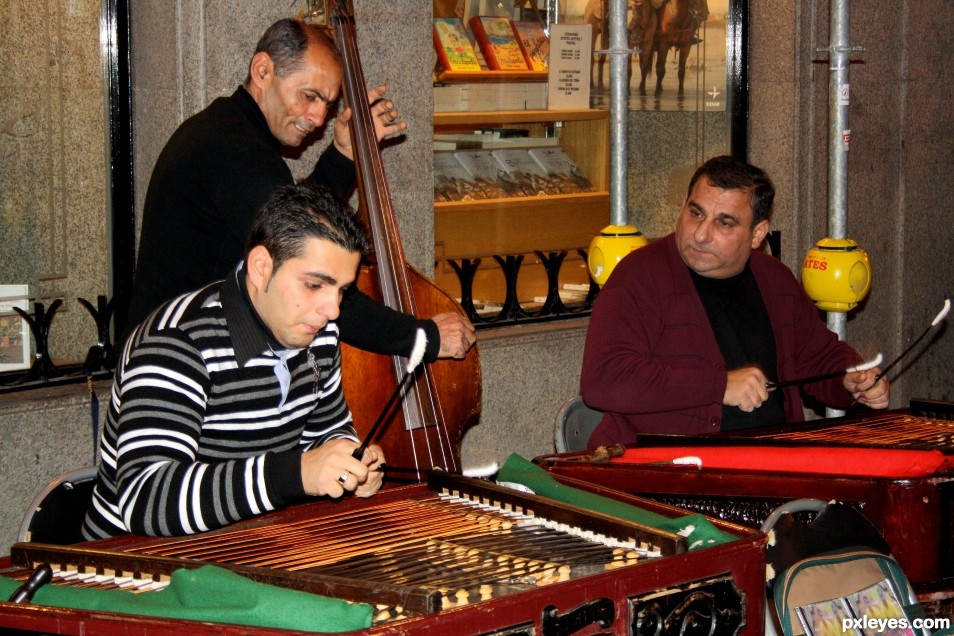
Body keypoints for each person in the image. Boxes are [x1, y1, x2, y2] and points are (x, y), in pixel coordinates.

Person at [127, 18, 474, 362]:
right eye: (309, 96)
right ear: (263, 70)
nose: (319, 118)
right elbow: (313, 271)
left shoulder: (227, 131)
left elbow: (290, 218)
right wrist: (423, 337)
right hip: (178, 372)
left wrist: (342, 155)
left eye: (328, 104)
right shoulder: (236, 152)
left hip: (178, 355)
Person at [83, 181, 385, 539]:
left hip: (253, 546)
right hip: (135, 569)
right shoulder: (177, 341)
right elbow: (147, 499)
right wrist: (295, 473)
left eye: (342, 290)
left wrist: (351, 461)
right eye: (315, 285)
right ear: (260, 267)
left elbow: (326, 432)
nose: (332, 310)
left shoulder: (320, 332)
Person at [580, 155, 889, 447]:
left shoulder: (775, 279)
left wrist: (852, 378)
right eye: (695, 213)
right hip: (666, 475)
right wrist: (720, 386)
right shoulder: (641, 275)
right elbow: (604, 379)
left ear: (757, 234)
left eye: (724, 223)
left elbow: (817, 356)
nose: (701, 234)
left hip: (772, 464)